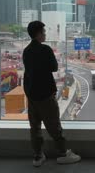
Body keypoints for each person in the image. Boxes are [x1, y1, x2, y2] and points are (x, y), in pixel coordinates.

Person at [23, 21, 81, 167]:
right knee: (54, 126)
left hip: (31, 95)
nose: (45, 34)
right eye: (43, 32)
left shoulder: (26, 51)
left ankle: (38, 156)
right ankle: (62, 153)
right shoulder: (45, 50)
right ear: (38, 34)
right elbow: (54, 67)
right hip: (45, 95)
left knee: (34, 127)